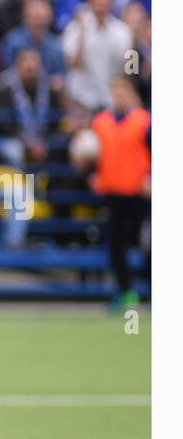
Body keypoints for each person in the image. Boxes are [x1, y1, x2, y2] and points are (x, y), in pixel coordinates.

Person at [90, 76, 150, 310]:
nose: (119, 96)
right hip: (112, 192)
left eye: (123, 91)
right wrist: (91, 172)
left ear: (132, 95)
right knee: (115, 245)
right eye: (115, 92)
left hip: (139, 193)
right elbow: (92, 157)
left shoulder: (144, 122)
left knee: (148, 243)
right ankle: (126, 292)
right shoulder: (101, 122)